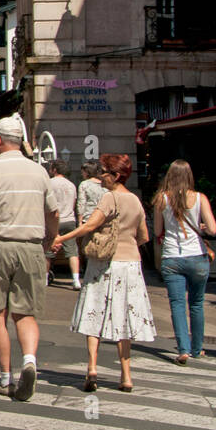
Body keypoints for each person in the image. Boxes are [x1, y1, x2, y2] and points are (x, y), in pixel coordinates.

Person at [0, 114, 59, 401]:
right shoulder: (39, 172)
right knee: (25, 313)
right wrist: (50, 238)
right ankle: (29, 360)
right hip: (30, 246)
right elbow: (53, 212)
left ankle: (6, 376)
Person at [54, 154, 154, 393]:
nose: (101, 178)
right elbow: (144, 237)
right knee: (124, 321)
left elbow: (89, 225)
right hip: (131, 265)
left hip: (105, 263)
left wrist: (61, 238)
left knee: (94, 314)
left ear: (116, 176)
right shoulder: (136, 201)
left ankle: (92, 367)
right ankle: (126, 376)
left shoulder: (110, 198)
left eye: (105, 173)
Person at [153, 160, 216, 365]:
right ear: (189, 176)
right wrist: (201, 226)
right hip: (197, 257)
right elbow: (213, 229)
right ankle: (197, 349)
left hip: (172, 257)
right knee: (197, 303)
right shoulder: (200, 198)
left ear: (169, 176)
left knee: (177, 304)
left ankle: (183, 350)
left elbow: (156, 231)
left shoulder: (161, 199)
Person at [46, 160, 80, 289]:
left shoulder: (49, 183)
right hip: (69, 219)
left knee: (48, 250)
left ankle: (44, 278)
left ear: (54, 170)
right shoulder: (71, 185)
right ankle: (76, 279)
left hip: (54, 220)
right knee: (72, 251)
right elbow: (74, 203)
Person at [76, 160, 108, 230]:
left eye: (83, 172)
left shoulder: (84, 184)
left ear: (87, 172)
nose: (82, 174)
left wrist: (80, 221)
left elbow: (81, 204)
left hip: (88, 219)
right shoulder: (104, 185)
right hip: (103, 219)